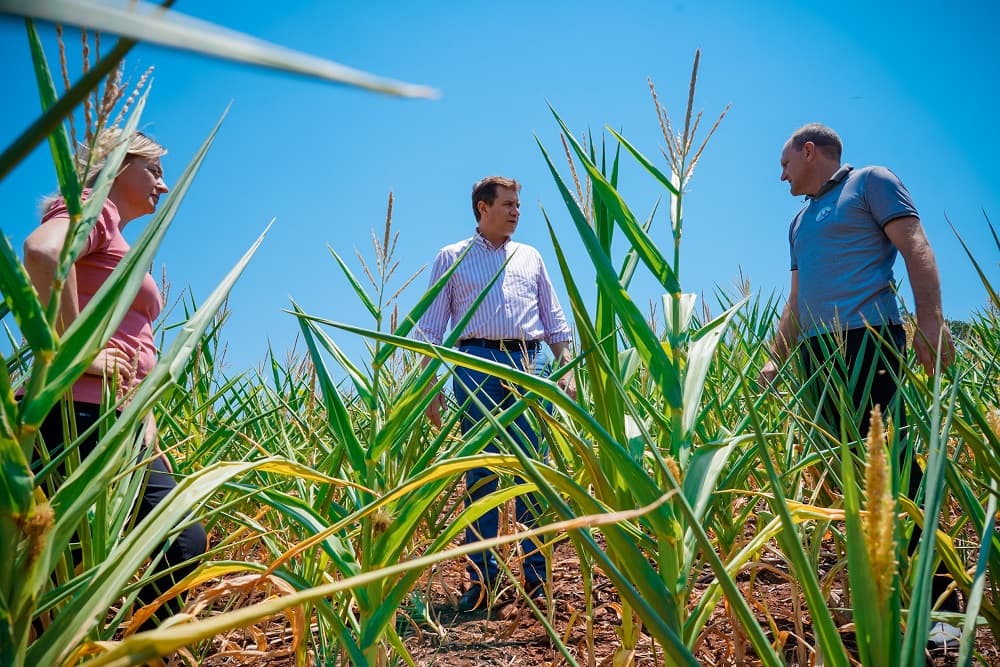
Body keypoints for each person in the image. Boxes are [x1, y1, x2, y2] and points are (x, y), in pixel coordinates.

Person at [759, 123, 961, 647]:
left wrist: (931, 321)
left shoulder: (872, 181)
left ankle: (939, 610)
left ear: (809, 151)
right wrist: (776, 359)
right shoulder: (799, 220)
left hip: (869, 341)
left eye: (785, 164)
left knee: (894, 466)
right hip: (816, 355)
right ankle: (879, 599)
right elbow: (796, 297)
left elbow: (915, 245)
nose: (780, 175)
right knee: (848, 473)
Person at [23, 128, 207, 629]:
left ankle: (124, 649)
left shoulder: (113, 231)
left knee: (176, 542)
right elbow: (42, 253)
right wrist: (76, 351)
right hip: (75, 415)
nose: (163, 187)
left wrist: (142, 417)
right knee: (71, 564)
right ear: (117, 166)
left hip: (118, 419)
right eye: (154, 171)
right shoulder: (91, 208)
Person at [416, 176, 576, 611]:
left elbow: (555, 320)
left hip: (531, 364)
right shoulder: (451, 258)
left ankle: (537, 583)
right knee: (482, 475)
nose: (516, 211)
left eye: (518, 204)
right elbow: (430, 331)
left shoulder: (531, 256)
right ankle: (481, 584)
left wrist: (567, 368)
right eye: (507, 204)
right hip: (475, 366)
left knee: (534, 474)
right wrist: (429, 386)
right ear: (482, 208)